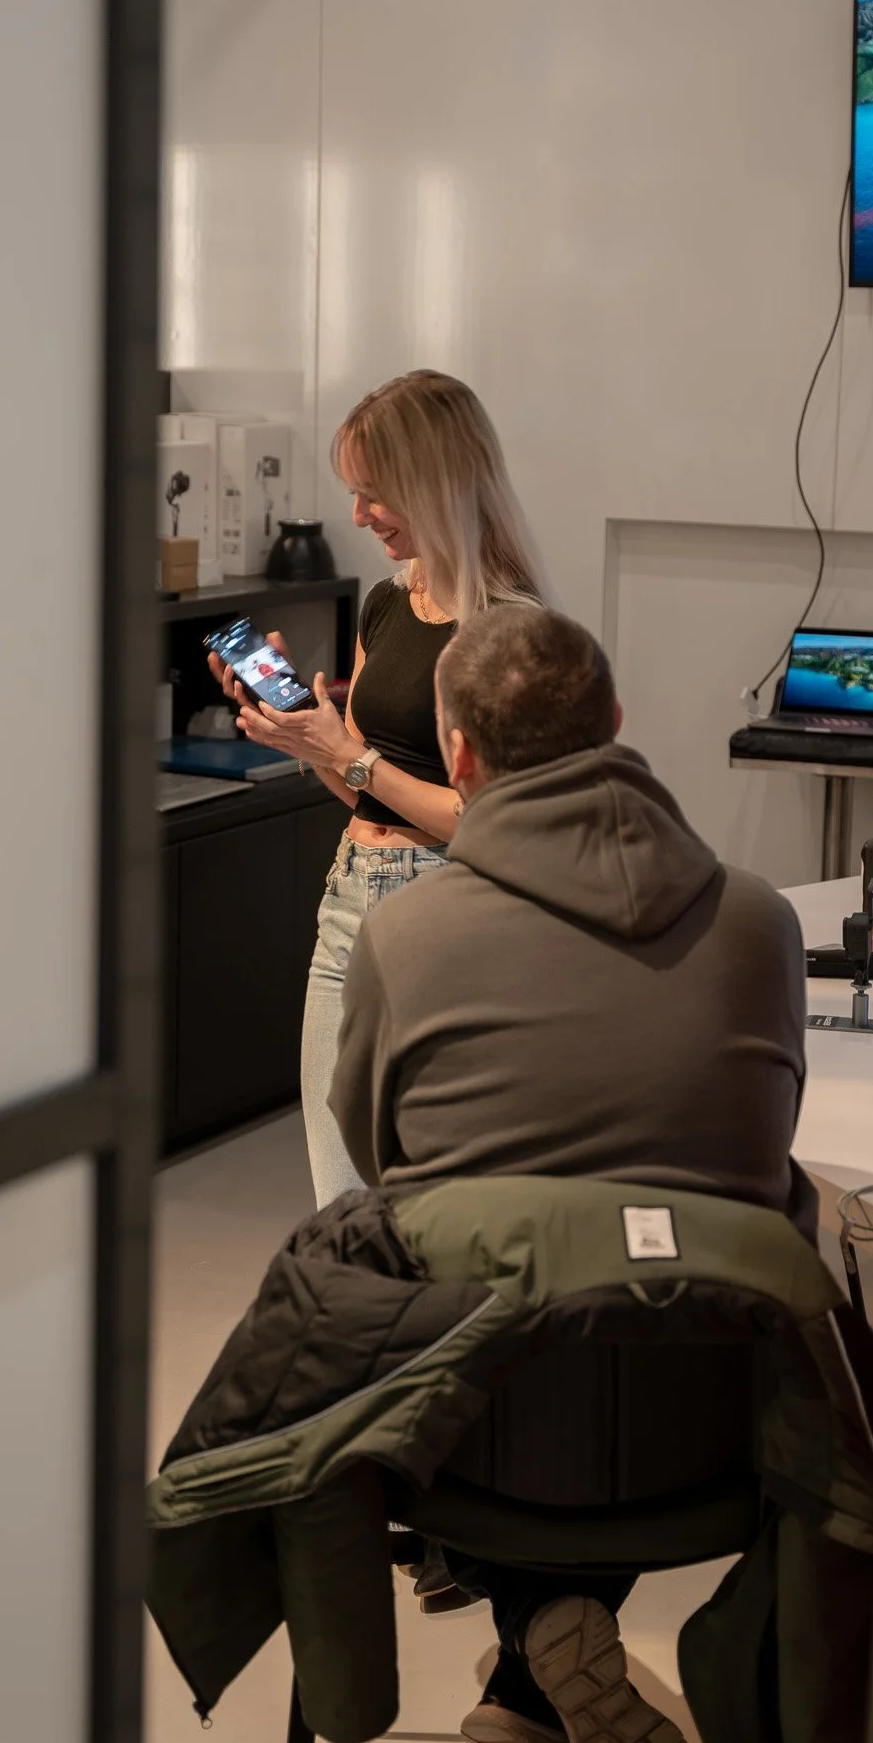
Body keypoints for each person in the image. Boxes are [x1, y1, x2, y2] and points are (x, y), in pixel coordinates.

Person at [326, 601, 812, 1743]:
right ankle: (544, 1662)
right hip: (719, 1428)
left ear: (458, 755)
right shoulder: (761, 920)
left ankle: (537, 1638)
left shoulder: (407, 935)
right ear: (618, 722)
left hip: (474, 1444)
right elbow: (764, 1138)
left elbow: (376, 1153)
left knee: (440, 1288)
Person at [207, 370, 551, 1206]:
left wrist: (347, 755)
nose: (359, 516)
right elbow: (365, 792)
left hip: (448, 916)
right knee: (341, 1203)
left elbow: (486, 823)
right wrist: (300, 734)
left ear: (436, 482)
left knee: (432, 1200)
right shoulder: (387, 606)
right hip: (348, 906)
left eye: (374, 493)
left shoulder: (511, 629)